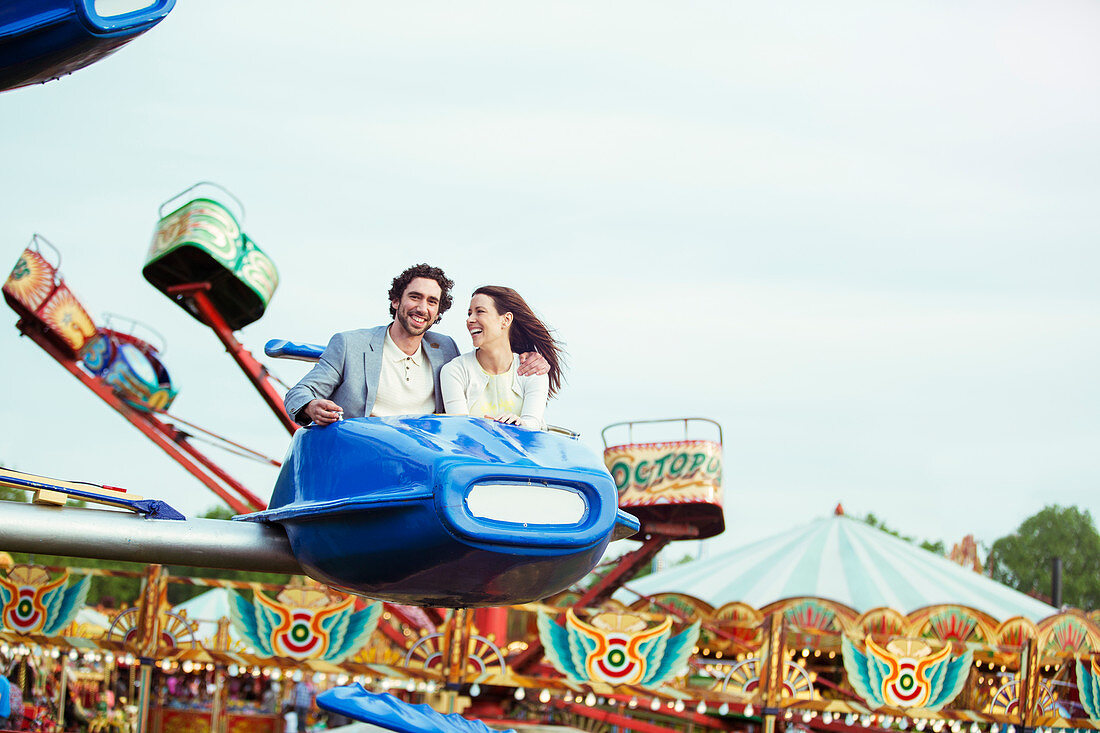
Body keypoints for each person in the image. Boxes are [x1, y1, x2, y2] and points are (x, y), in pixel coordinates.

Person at [284, 264, 547, 426]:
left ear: (438, 311)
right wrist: (310, 406)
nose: (422, 308)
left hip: (422, 466)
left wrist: (535, 357)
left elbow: (490, 356)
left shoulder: (444, 350)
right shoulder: (350, 344)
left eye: (432, 301)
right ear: (396, 301)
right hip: (364, 459)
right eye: (414, 297)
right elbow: (299, 392)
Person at [441, 286, 563, 429]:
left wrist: (519, 424)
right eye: (469, 314)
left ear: (506, 320)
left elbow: (533, 424)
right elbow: (460, 428)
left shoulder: (532, 370)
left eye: (479, 311)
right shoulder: (454, 371)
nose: (470, 320)